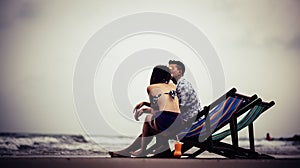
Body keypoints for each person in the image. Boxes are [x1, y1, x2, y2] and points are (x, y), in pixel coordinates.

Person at [109, 65, 183, 157]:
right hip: (178, 122)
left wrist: (144, 108)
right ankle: (126, 151)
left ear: (154, 75)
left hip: (165, 121)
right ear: (168, 76)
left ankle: (142, 150)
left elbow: (155, 110)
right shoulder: (173, 86)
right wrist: (144, 106)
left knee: (148, 119)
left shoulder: (151, 87)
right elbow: (162, 108)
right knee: (147, 130)